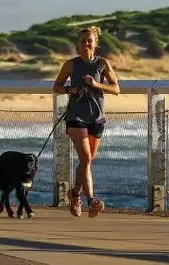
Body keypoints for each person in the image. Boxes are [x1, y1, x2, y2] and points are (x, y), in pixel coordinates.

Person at [52, 25, 121, 217]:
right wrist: (71, 90)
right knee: (86, 159)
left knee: (86, 162)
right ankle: (91, 200)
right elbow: (56, 86)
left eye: (89, 41)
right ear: (78, 43)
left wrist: (96, 84)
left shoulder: (102, 63)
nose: (85, 44)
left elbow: (116, 89)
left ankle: (74, 194)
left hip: (96, 117)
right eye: (82, 41)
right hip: (76, 117)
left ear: (95, 43)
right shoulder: (71, 64)